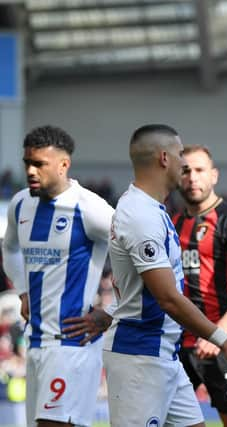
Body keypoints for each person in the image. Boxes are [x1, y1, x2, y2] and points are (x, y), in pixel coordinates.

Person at [67, 124, 227, 427]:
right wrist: (226, 341)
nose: (185, 165)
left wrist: (112, 311)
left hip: (164, 354)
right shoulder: (142, 216)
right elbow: (168, 298)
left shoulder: (154, 211)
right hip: (140, 357)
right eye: (181, 155)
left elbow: (141, 288)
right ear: (164, 158)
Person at [1, 125, 113, 427]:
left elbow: (141, 255)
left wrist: (112, 311)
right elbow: (9, 248)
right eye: (27, 163)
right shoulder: (21, 203)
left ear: (64, 165)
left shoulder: (90, 208)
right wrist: (23, 289)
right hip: (36, 342)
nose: (31, 171)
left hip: (71, 344)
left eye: (39, 164)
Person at [173, 144, 227, 427]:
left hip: (225, 342)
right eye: (185, 170)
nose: (192, 177)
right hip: (178, 345)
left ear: (214, 175)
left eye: (199, 170)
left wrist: (219, 335)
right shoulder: (170, 223)